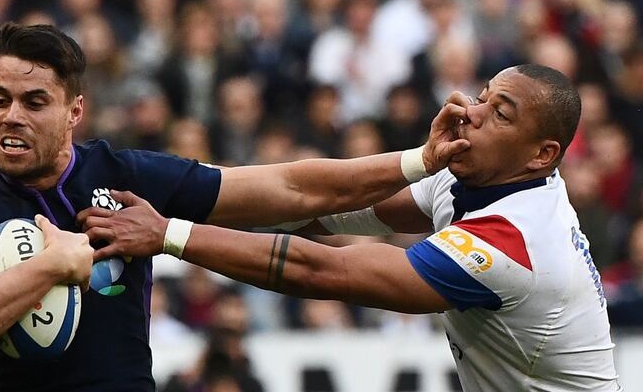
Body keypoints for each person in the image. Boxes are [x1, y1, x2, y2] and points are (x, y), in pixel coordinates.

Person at [0, 22, 469, 391]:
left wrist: (419, 160)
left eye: (34, 102)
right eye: (0, 100)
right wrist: (51, 266)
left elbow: (291, 189)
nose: (11, 117)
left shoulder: (123, 176)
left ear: (75, 111)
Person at [81, 65, 623, 391]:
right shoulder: (474, 178)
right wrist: (193, 194)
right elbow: (325, 209)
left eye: (500, 114)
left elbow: (323, 269)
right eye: (483, 95)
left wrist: (169, 232)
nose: (473, 113)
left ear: (542, 155)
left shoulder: (514, 243)